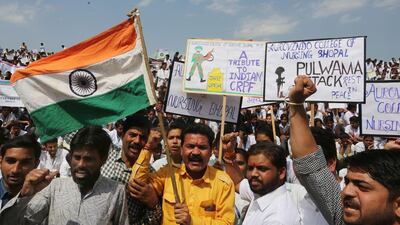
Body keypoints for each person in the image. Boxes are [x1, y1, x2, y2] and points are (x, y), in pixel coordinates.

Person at [289, 75, 400, 225]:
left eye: (362, 186)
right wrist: (296, 103)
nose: (346, 192)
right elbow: (310, 165)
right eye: (347, 182)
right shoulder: (344, 219)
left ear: (398, 205)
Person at [18, 126, 129, 225]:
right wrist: (25, 196)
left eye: (88, 159)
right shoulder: (55, 187)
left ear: (103, 160)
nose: (81, 165)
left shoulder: (117, 191)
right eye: (77, 157)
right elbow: (27, 220)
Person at [130, 123, 235, 224]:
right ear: (181, 149)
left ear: (211, 150)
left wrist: (192, 221)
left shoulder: (223, 183)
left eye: (202, 147)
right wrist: (148, 146)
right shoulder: (168, 174)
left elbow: (227, 222)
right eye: (190, 146)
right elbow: (136, 184)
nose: (196, 152)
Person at [100, 113, 162, 225]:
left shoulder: (151, 174)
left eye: (143, 137)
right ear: (123, 134)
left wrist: (153, 203)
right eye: (133, 135)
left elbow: (152, 221)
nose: (137, 141)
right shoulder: (104, 154)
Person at [223, 139, 301, 225]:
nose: (253, 174)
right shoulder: (262, 192)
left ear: (281, 173)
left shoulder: (277, 219)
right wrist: (229, 153)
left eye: (262, 169)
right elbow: (238, 183)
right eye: (250, 168)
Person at [0, 135, 43, 224]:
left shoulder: (43, 200)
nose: (15, 170)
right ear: (0, 161)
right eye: (10, 161)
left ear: (36, 164)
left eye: (25, 163)